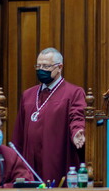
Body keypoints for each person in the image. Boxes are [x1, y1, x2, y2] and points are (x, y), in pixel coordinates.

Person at [12, 47, 86, 183]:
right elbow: (19, 130)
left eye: (46, 66)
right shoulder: (28, 94)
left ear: (59, 67)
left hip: (55, 157)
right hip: (30, 159)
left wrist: (77, 131)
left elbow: (77, 116)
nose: (41, 70)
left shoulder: (73, 92)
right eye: (38, 66)